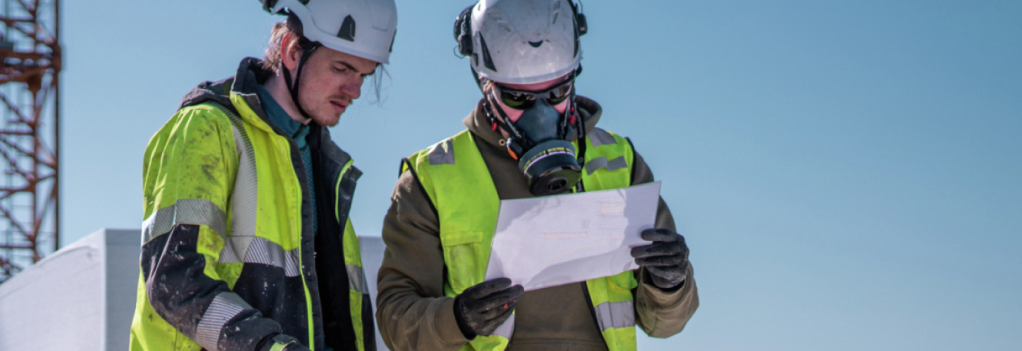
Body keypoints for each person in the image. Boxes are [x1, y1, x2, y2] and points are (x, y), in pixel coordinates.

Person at [374, 1, 698, 350]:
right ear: (485, 84)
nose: (541, 113)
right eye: (517, 97)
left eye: (557, 93)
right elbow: (396, 323)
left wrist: (670, 284)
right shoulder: (431, 179)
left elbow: (666, 325)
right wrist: (458, 318)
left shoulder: (621, 163)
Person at [129, 1, 396, 351]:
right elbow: (175, 281)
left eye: (364, 75)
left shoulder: (326, 168)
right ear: (292, 51)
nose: (355, 90)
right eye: (342, 68)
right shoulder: (208, 130)